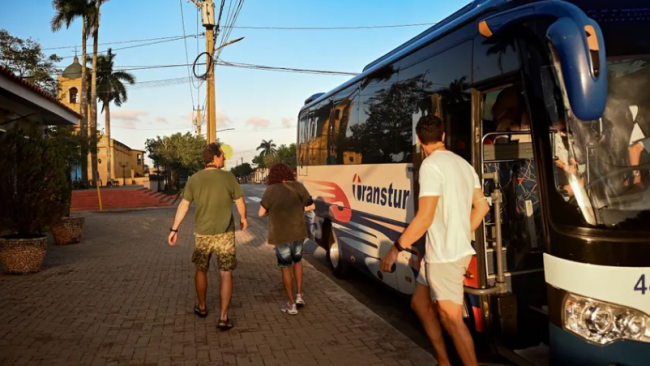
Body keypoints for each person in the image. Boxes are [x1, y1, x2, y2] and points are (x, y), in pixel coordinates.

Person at [380, 115, 489, 366]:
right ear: (443, 137)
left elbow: (425, 217)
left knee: (451, 318)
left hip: (445, 256)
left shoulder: (430, 166)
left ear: (419, 141)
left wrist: (396, 248)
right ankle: (443, 361)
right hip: (438, 253)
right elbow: (482, 207)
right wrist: (461, 233)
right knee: (419, 304)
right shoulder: (463, 164)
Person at [168, 143, 247, 331]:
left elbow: (183, 206)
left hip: (203, 234)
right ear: (215, 157)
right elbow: (240, 201)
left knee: (201, 269)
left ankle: (202, 308)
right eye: (222, 155)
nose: (224, 158)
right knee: (226, 272)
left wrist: (174, 229)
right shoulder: (228, 177)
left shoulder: (194, 179)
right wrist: (243, 218)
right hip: (225, 234)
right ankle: (223, 318)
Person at [258, 163, 315, 315]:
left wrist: (272, 212)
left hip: (281, 235)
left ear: (273, 175)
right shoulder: (298, 186)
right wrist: (299, 208)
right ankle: (300, 296)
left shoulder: (271, 190)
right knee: (297, 262)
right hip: (298, 232)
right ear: (289, 173)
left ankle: (291, 304)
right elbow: (311, 206)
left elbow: (261, 213)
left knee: (285, 267)